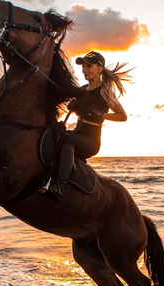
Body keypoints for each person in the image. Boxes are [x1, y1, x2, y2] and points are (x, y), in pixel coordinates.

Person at [49, 51, 131, 201]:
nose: (85, 70)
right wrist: (72, 107)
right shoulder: (82, 89)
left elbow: (123, 116)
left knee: (68, 141)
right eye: (83, 66)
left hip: (91, 141)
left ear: (100, 68)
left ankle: (59, 187)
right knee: (56, 136)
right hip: (77, 132)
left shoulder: (105, 92)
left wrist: (101, 114)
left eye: (89, 66)